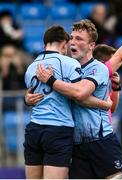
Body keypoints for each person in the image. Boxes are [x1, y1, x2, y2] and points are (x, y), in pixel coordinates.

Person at [26, 11, 122, 178]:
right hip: (75, 146)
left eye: (79, 39)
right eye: (71, 38)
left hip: (100, 141)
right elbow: (40, 90)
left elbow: (82, 91)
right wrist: (28, 98)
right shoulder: (64, 66)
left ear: (92, 46)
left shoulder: (98, 68)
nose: (73, 43)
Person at [24, 25, 112, 179]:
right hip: (58, 129)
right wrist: (105, 104)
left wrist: (27, 99)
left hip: (33, 129)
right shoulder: (69, 63)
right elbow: (79, 94)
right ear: (64, 44)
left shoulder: (31, 68)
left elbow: (32, 95)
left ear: (45, 44)